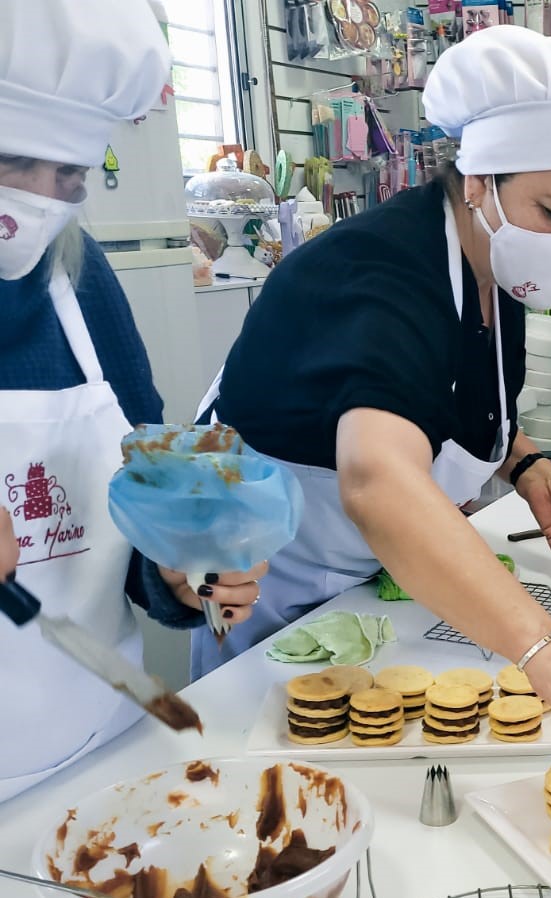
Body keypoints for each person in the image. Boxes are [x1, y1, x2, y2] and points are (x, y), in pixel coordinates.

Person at [201, 26, 551, 776]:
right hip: (275, 604)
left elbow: (444, 395)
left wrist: (526, 468)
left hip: (369, 590)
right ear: (477, 180)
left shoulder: (499, 264)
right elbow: (378, 480)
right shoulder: (375, 273)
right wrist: (548, 655)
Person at [0, 0, 262, 804]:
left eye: (69, 176)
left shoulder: (80, 282)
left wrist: (182, 569)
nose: (41, 205)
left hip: (99, 750)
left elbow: (148, 501)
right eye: (13, 162)